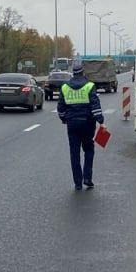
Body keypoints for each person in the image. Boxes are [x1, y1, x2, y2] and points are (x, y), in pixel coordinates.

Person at [57, 57, 105, 190]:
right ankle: (87, 178)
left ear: (73, 72)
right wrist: (101, 121)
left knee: (74, 153)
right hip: (87, 124)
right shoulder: (90, 86)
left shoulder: (65, 87)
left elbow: (60, 108)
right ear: (83, 72)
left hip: (72, 124)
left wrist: (64, 119)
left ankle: (77, 183)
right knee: (89, 150)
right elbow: (95, 106)